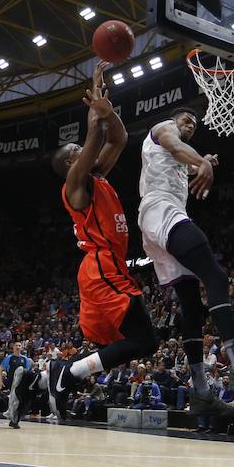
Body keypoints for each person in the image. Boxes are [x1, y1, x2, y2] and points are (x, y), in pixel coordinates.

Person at [135, 106, 234, 418]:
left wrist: (203, 162)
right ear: (174, 120)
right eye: (186, 119)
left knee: (191, 305)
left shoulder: (177, 158)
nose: (190, 124)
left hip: (155, 221)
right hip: (161, 210)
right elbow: (176, 145)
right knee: (215, 277)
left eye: (194, 123)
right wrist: (203, 161)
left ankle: (201, 390)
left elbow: (181, 158)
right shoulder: (164, 129)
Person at [48, 61, 160, 418]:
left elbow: (119, 138)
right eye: (76, 154)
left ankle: (62, 374)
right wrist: (95, 119)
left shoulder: (96, 177)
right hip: (100, 267)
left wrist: (107, 112)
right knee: (145, 340)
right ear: (69, 165)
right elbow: (95, 140)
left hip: (107, 266)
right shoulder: (74, 186)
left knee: (141, 342)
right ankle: (69, 372)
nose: (83, 154)